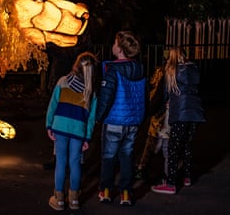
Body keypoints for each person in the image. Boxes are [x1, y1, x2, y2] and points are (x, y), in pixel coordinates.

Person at [96, 30, 147, 206]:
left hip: (114, 121)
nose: (113, 45)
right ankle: (126, 192)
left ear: (119, 49)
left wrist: (98, 117)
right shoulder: (140, 69)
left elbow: (106, 97)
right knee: (127, 157)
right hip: (133, 121)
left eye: (115, 43)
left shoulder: (113, 70)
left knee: (109, 157)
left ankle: (106, 190)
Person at [46, 51, 98, 211]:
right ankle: (74, 199)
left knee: (61, 162)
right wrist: (87, 137)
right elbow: (91, 118)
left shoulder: (62, 82)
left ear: (75, 66)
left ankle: (59, 198)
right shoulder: (91, 92)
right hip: (78, 131)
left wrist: (49, 124)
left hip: (60, 127)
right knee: (75, 163)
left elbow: (53, 105)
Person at [151, 46, 206, 194]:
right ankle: (187, 176)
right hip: (195, 112)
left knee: (173, 148)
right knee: (187, 145)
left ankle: (170, 183)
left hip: (180, 113)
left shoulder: (172, 71)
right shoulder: (193, 69)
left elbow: (166, 95)